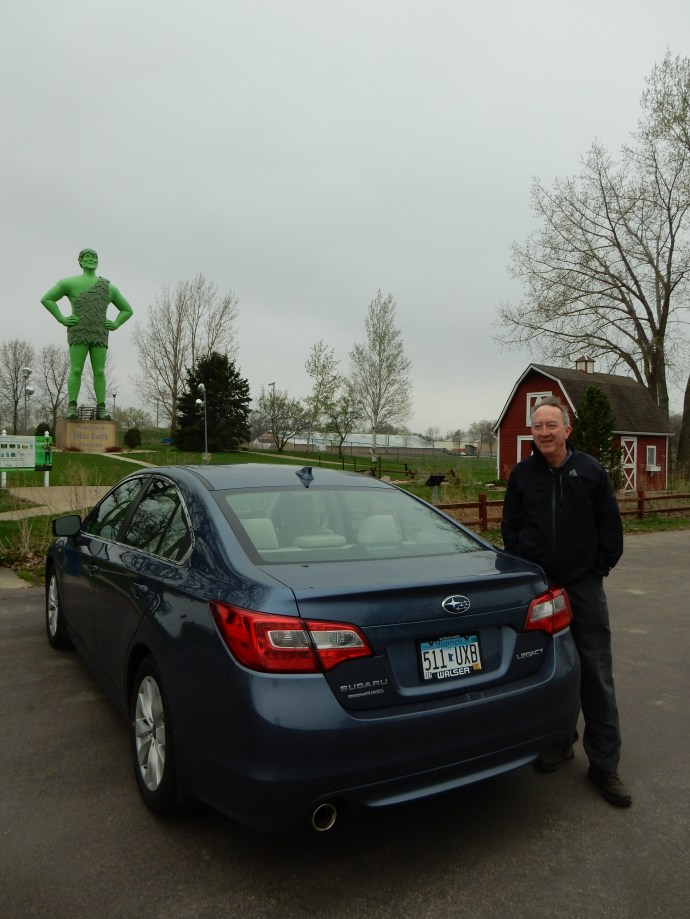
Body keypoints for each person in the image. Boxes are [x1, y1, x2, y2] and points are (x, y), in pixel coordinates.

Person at [501, 395, 631, 807]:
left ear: (566, 430)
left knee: (594, 670)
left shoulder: (589, 471)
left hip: (582, 585)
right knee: (548, 668)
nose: (543, 433)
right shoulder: (523, 475)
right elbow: (512, 527)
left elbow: (610, 527)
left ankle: (605, 765)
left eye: (551, 425)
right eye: (537, 427)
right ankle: (560, 741)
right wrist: (529, 568)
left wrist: (598, 568)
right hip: (542, 588)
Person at [41, 249, 133, 420]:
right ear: (80, 261)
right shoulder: (68, 283)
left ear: (98, 261)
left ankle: (101, 408)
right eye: (87, 257)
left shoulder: (108, 287)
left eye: (94, 257)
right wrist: (62, 318)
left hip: (99, 333)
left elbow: (127, 310)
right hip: (78, 331)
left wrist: (116, 323)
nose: (91, 260)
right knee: (76, 369)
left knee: (99, 370)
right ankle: (72, 407)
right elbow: (47, 299)